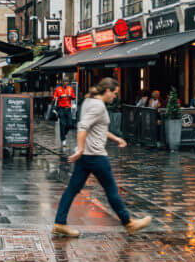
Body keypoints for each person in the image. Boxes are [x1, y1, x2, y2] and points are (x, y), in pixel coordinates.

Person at [52, 78, 152, 238]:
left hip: (86, 157)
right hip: (96, 156)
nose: (115, 97)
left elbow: (96, 127)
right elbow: (83, 126)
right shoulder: (98, 106)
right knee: (112, 190)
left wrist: (115, 139)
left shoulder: (88, 102)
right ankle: (129, 223)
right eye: (114, 93)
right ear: (107, 91)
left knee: (72, 189)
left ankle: (59, 223)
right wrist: (80, 148)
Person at [52, 77, 76, 150]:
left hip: (68, 108)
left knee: (70, 124)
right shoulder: (58, 89)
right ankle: (63, 140)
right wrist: (60, 96)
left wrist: (70, 96)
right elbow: (54, 98)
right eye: (64, 81)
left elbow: (74, 97)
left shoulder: (70, 88)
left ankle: (63, 134)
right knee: (63, 124)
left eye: (67, 82)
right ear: (62, 82)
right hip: (61, 108)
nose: (66, 83)